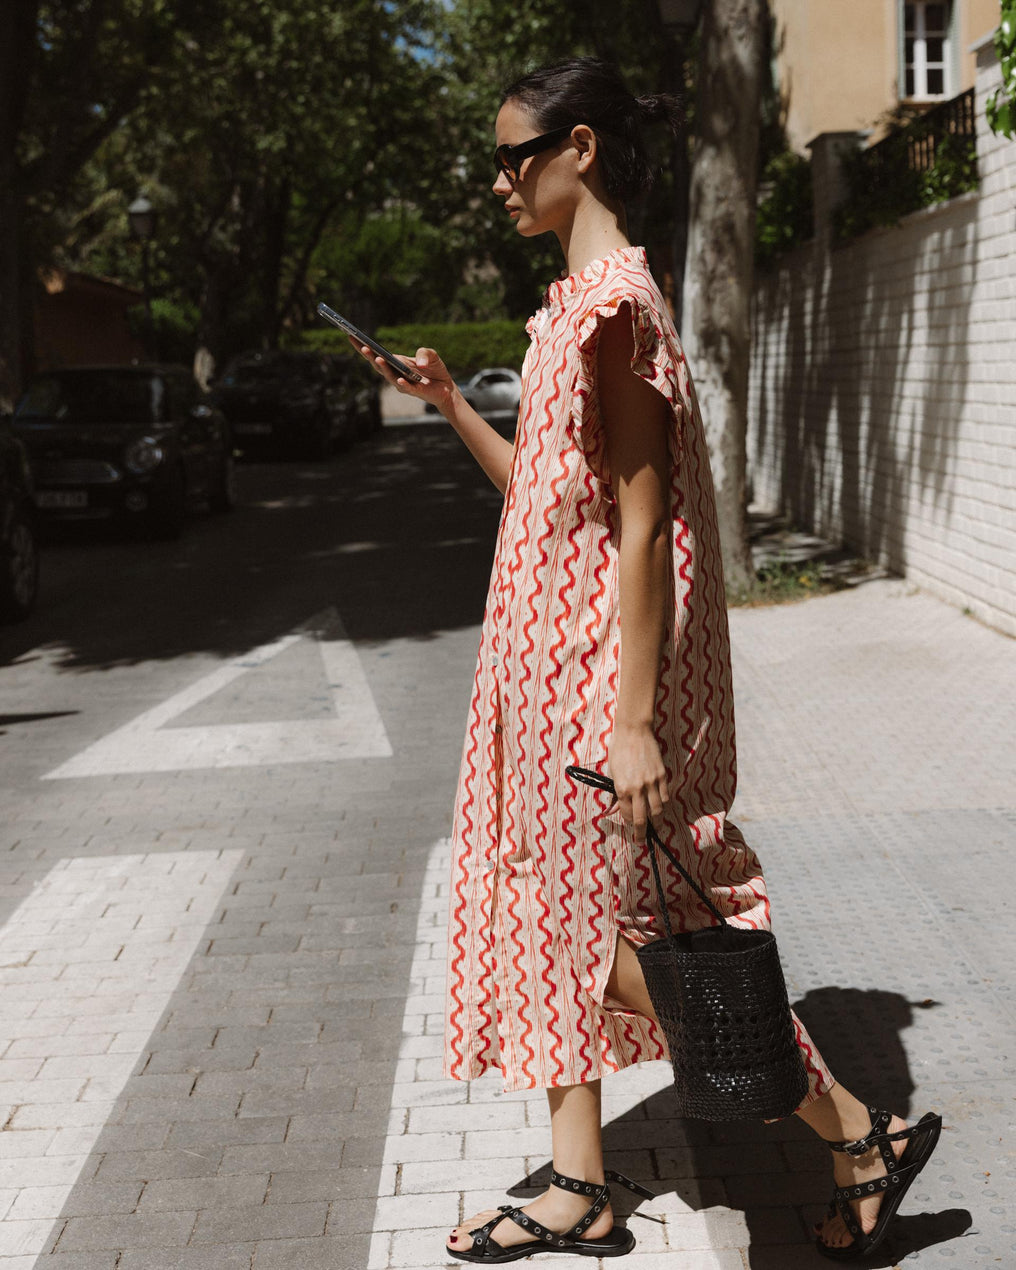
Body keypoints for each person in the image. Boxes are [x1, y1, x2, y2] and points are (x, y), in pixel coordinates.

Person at [352, 56, 941, 1265]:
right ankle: (578, 1181)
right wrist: (453, 406)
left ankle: (851, 1129)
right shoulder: (572, 305)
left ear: (578, 147)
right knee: (542, 913)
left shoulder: (617, 306)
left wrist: (630, 722)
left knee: (592, 937)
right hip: (532, 678)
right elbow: (543, 499)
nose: (498, 181)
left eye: (512, 156)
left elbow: (640, 523)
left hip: (586, 686)